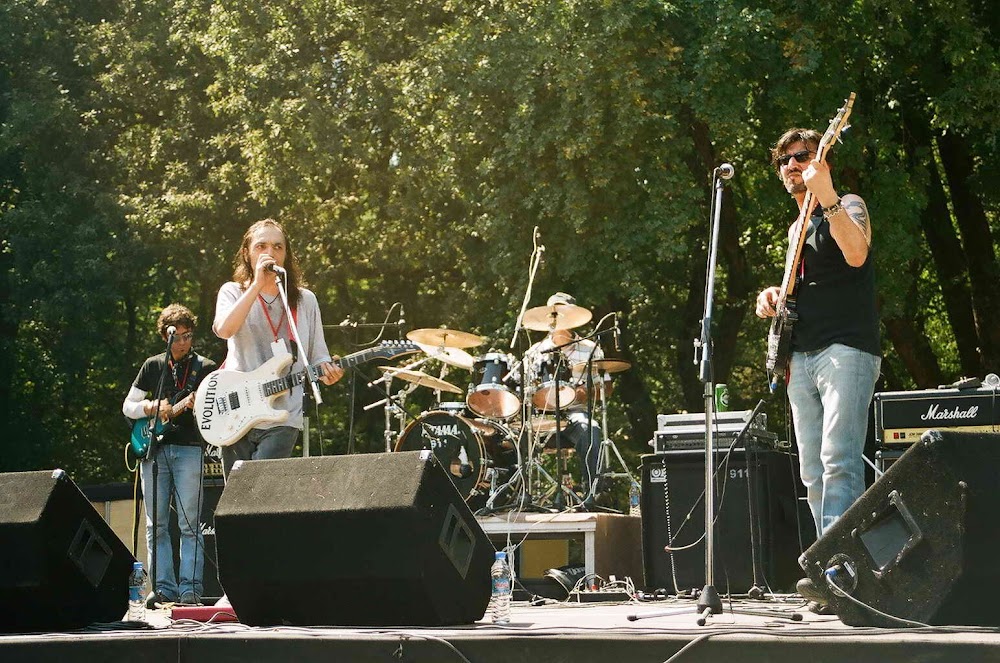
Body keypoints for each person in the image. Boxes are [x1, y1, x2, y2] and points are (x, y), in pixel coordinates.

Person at [755, 128, 881, 606]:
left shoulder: (847, 204)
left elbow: (856, 254)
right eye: (784, 160)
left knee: (839, 460)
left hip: (845, 349)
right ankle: (830, 571)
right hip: (801, 356)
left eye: (801, 155)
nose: (791, 164)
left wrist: (826, 195)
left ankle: (839, 573)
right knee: (812, 472)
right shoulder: (795, 228)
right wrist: (773, 295)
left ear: (821, 157)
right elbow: (801, 288)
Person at [212, 219, 344, 477]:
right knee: (237, 493)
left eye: (277, 247)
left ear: (286, 255)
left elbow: (318, 355)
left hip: (283, 414)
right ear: (247, 254)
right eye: (261, 246)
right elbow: (224, 330)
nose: (270, 253)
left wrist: (328, 372)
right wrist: (257, 285)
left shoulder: (305, 300)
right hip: (236, 410)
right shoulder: (232, 291)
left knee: (261, 489)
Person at [122, 304, 217, 606]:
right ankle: (163, 590)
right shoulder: (153, 366)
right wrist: (151, 407)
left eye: (188, 336)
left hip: (190, 448)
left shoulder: (206, 368)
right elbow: (128, 406)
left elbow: (215, 408)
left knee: (190, 524)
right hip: (154, 450)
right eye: (177, 337)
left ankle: (190, 591)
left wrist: (196, 404)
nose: (183, 343)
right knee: (156, 524)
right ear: (165, 336)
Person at [525, 293, 613, 498]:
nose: (557, 317)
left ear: (573, 316)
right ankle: (520, 495)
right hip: (542, 417)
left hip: (575, 414)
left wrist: (586, 393)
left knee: (591, 430)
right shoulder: (535, 352)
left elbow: (607, 387)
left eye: (562, 312)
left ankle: (593, 493)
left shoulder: (590, 349)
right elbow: (524, 391)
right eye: (553, 313)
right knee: (512, 437)